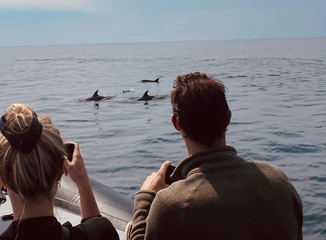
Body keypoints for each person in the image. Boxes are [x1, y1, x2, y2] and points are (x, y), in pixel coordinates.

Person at [128, 72, 303, 240]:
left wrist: (146, 196)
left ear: (176, 123)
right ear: (228, 117)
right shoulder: (279, 181)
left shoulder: (171, 204)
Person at [0, 103, 118, 240]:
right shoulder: (103, 231)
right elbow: (96, 227)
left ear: (3, 178)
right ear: (62, 170)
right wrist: (83, 183)